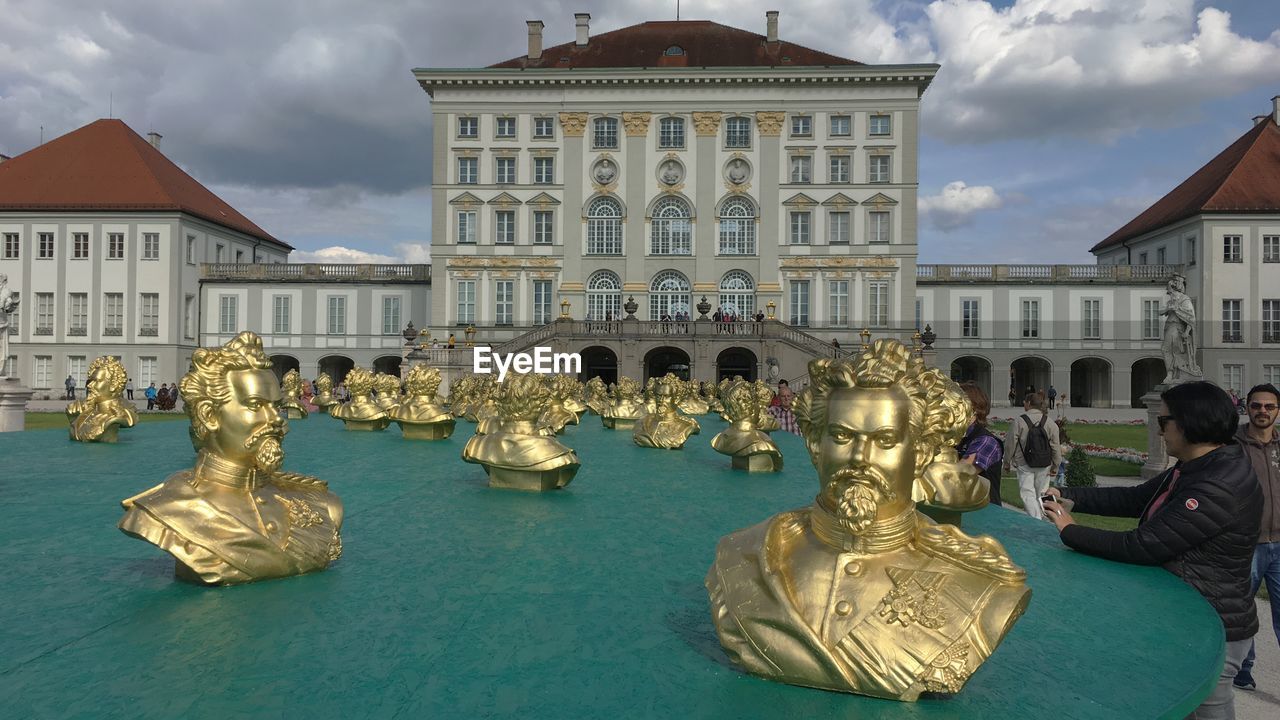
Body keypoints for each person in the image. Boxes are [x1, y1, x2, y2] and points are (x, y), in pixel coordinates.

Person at [1044, 381, 1261, 720]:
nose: (1159, 431)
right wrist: (1074, 496)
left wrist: (1071, 530)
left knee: (1206, 712)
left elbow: (1144, 545)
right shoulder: (1198, 465)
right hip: (1189, 619)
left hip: (1212, 629)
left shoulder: (1218, 483)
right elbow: (1138, 498)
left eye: (1163, 422)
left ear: (1190, 423)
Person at [1233, 383, 1280, 692]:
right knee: (1243, 611)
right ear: (1247, 407)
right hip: (1246, 543)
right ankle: (1243, 669)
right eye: (1256, 405)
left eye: (1269, 406)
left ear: (1277, 411)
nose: (1262, 411)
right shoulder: (1233, 446)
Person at [1003, 390, 1062, 520]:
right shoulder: (1050, 423)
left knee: (1027, 493)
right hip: (1044, 464)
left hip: (1024, 463)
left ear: (1029, 403)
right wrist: (1056, 466)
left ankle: (1036, 520)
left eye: (1024, 402)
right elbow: (1056, 448)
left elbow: (1010, 444)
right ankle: (1043, 517)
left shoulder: (1019, 421)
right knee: (1041, 493)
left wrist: (1006, 462)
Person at [956, 381, 1004, 506]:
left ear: (973, 408)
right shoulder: (956, 437)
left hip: (985, 513)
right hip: (962, 508)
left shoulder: (986, 441)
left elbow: (960, 474)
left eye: (956, 404)